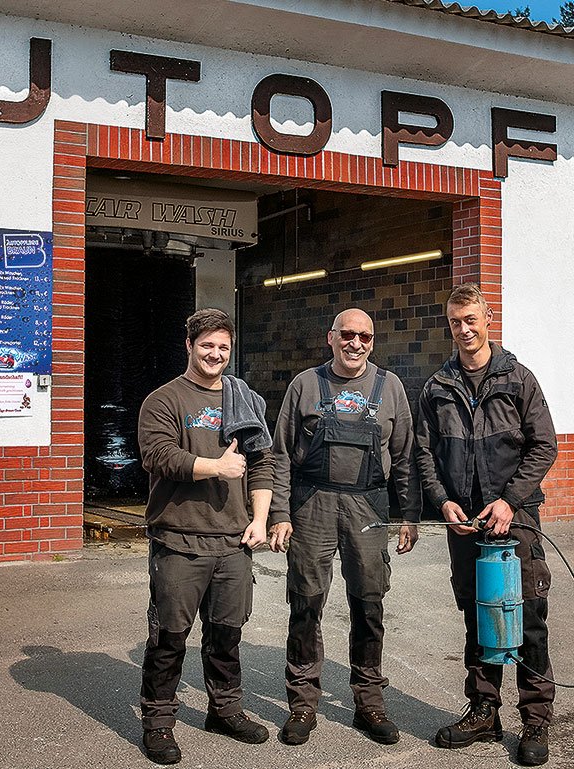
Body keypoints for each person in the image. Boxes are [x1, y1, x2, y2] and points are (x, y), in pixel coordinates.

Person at [414, 283, 557, 766]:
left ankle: (535, 718)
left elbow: (544, 447)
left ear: (487, 317)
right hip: (467, 525)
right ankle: (484, 710)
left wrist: (509, 502)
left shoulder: (518, 379)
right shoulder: (438, 387)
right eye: (455, 322)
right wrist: (441, 502)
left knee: (526, 616)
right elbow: (424, 454)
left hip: (516, 523)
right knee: (478, 615)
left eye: (471, 319)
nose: (464, 329)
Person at [268, 308, 420, 747]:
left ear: (373, 342)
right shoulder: (305, 385)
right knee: (306, 604)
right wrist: (279, 513)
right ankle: (302, 703)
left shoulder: (389, 387)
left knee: (369, 606)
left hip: (368, 506)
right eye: (348, 335)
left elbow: (406, 456)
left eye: (366, 337)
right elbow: (280, 455)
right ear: (330, 337)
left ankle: (369, 701)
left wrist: (408, 515)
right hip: (312, 503)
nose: (357, 344)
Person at [137, 308, 275, 765]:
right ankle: (158, 723)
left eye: (223, 347)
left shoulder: (245, 400)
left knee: (227, 636)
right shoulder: (164, 400)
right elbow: (159, 456)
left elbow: (261, 462)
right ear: (190, 346)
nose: (215, 354)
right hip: (179, 541)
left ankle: (225, 710)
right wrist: (215, 466)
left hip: (234, 542)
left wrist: (259, 518)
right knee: (169, 638)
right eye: (207, 346)